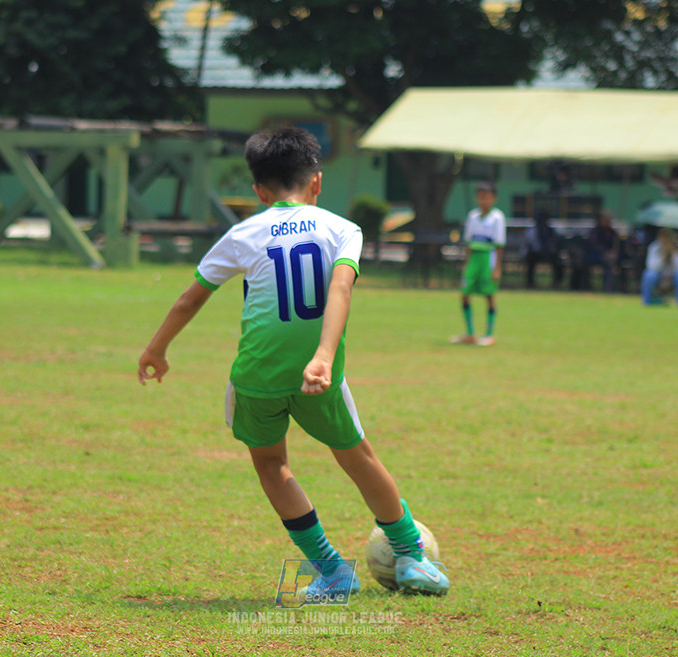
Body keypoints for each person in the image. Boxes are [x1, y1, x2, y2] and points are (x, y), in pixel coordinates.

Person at [137, 126, 449, 597]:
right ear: (317, 181)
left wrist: (156, 349)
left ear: (259, 192)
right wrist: (322, 356)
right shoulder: (342, 229)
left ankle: (332, 572)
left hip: (257, 377)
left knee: (271, 464)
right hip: (319, 377)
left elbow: (189, 298)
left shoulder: (243, 233)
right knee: (359, 458)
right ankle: (410, 557)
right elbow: (340, 289)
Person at [451, 181, 505, 346]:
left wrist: (497, 268)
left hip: (488, 258)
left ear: (494, 198)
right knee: (465, 293)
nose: (483, 200)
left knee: (489, 295)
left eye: (486, 197)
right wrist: (467, 264)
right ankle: (470, 333)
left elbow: (499, 245)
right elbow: (468, 242)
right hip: (474, 258)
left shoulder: (497, 218)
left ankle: (489, 334)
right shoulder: (473, 217)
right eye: (480, 197)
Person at [640, 227, 678, 305]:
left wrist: (673, 252)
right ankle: (646, 301)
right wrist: (662, 256)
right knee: (649, 275)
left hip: (673, 274)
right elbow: (652, 266)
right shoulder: (654, 247)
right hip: (659, 274)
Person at [523, 209, 563, 289]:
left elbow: (555, 243)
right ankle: (530, 283)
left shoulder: (551, 231)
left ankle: (557, 283)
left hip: (549, 253)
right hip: (536, 253)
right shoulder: (532, 231)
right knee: (530, 259)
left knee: (558, 261)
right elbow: (529, 244)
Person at [583, 211, 621, 292]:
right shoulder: (595, 232)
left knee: (612, 261)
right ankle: (608, 288)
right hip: (595, 255)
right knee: (608, 262)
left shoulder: (612, 233)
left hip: (610, 257)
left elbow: (616, 245)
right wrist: (605, 252)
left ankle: (611, 287)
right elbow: (594, 245)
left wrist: (613, 252)